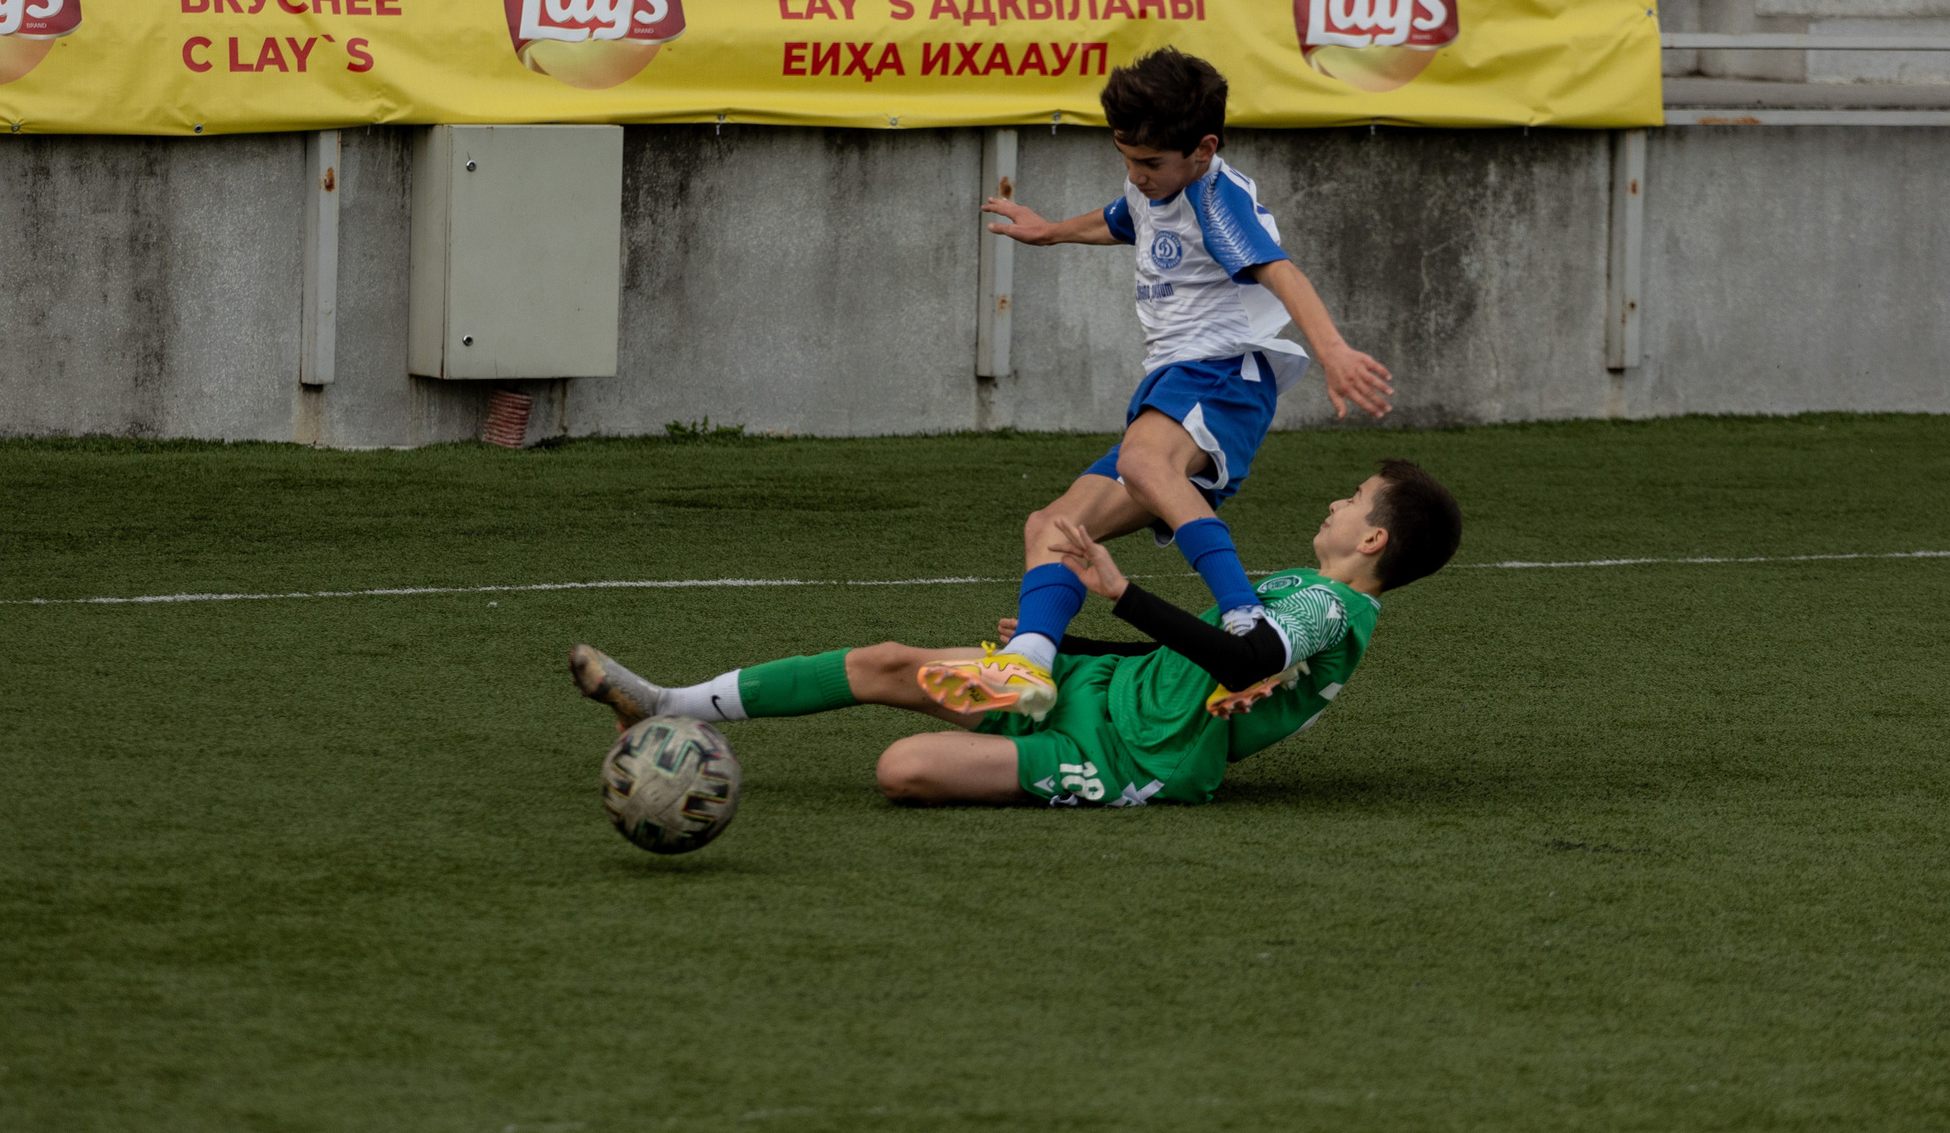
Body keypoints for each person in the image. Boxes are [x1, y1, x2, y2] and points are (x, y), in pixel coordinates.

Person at [907, 46, 1395, 723]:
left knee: (1142, 463)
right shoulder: (1154, 184)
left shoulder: (1216, 199)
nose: (1137, 174)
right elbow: (1123, 216)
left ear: (1204, 149)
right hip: (1176, 381)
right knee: (1053, 526)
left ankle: (1247, 622)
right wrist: (1051, 232)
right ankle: (1029, 662)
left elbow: (1281, 271)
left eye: (1151, 163)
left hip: (1222, 373)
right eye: (1126, 157)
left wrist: (1333, 350)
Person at [568, 461, 1463, 808]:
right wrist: (1075, 651)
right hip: (1096, 692)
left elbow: (1244, 657)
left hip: (1129, 756)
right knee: (887, 662)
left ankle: (677, 707)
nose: (1336, 500)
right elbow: (1197, 661)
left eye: (1354, 499)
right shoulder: (1309, 593)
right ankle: (667, 703)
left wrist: (1120, 591)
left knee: (902, 769)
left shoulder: (1331, 608)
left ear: (1373, 540)